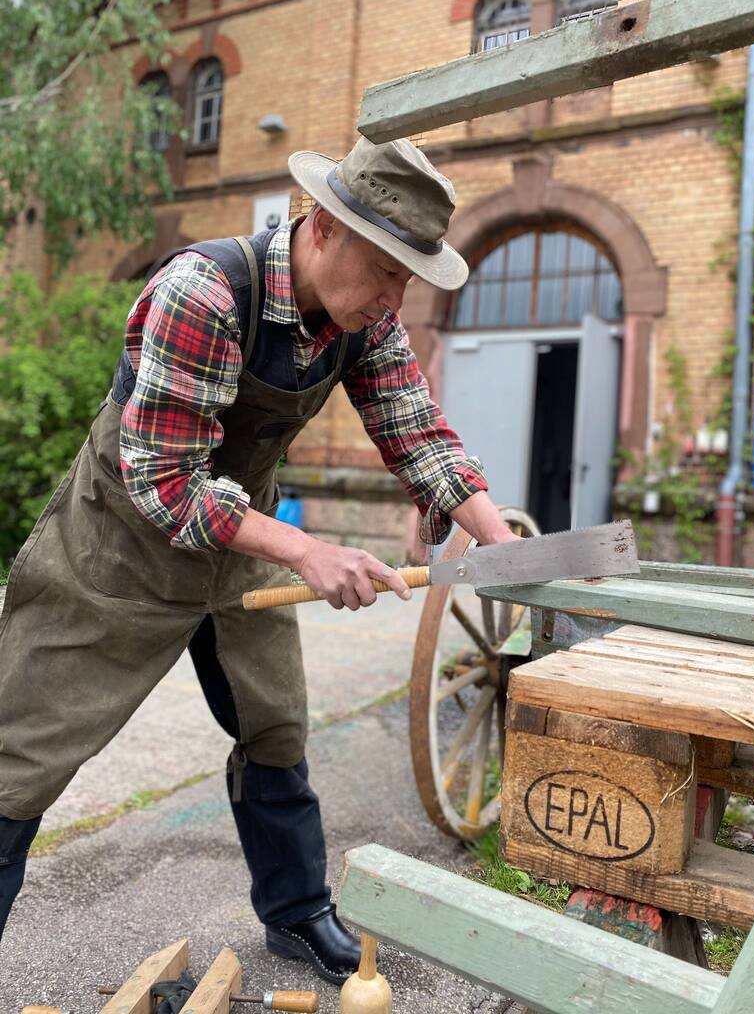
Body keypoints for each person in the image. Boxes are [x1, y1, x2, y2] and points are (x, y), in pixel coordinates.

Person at [0, 137, 517, 981]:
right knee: (17, 762)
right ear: (321, 228)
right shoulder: (204, 292)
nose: (397, 295)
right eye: (387, 268)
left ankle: (299, 913)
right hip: (118, 550)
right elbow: (166, 482)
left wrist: (498, 542)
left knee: (276, 727)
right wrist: (308, 551)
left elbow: (416, 433)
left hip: (238, 550)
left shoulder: (365, 322)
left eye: (408, 277)